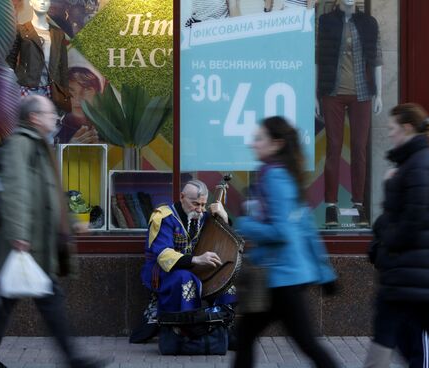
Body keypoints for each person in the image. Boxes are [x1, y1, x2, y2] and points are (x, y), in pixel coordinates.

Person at [0, 95, 105, 368]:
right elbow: (15, 190)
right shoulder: (20, 145)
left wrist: (71, 221)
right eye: (50, 114)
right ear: (35, 117)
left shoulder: (38, 145)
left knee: (29, 303)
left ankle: (71, 358)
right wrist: (19, 234)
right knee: (7, 306)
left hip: (35, 243)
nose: (55, 120)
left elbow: (50, 192)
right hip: (22, 244)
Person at [364, 103, 429, 367]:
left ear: (407, 128)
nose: (389, 134)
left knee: (387, 332)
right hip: (412, 270)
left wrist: (387, 239)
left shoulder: (418, 164)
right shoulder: (415, 161)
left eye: (392, 128)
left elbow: (413, 218)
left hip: (409, 269)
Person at [232, 116, 340, 368]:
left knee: (305, 343)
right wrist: (325, 272)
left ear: (276, 144)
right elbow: (306, 228)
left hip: (282, 277)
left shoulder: (274, 178)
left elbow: (282, 231)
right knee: (248, 335)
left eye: (259, 139)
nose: (252, 144)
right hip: (284, 275)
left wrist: (245, 224)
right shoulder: (284, 176)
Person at [317, 0, 383, 227]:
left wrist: (380, 94)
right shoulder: (326, 21)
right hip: (332, 91)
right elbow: (319, 58)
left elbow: (377, 59)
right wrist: (314, 95)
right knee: (333, 147)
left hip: (362, 93)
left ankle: (358, 205)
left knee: (359, 148)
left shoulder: (368, 23)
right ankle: (330, 207)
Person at [140, 179, 236, 315]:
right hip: (163, 271)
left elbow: (222, 237)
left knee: (225, 282)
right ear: (182, 197)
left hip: (193, 268)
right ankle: (188, 325)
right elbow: (163, 254)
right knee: (186, 280)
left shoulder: (202, 216)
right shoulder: (163, 217)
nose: (200, 210)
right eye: (195, 204)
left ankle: (220, 324)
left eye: (203, 205)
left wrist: (224, 217)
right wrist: (196, 260)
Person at [6, 0, 68, 106]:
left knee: (45, 121)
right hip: (25, 87)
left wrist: (64, 92)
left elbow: (63, 67)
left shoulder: (58, 34)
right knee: (22, 121)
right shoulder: (21, 30)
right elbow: (10, 61)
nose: (43, 2)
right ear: (30, 2)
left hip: (51, 90)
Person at [55, 66, 101, 144]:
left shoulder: (111, 130)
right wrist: (69, 147)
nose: (78, 98)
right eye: (71, 90)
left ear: (98, 94)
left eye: (86, 89)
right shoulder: (56, 127)